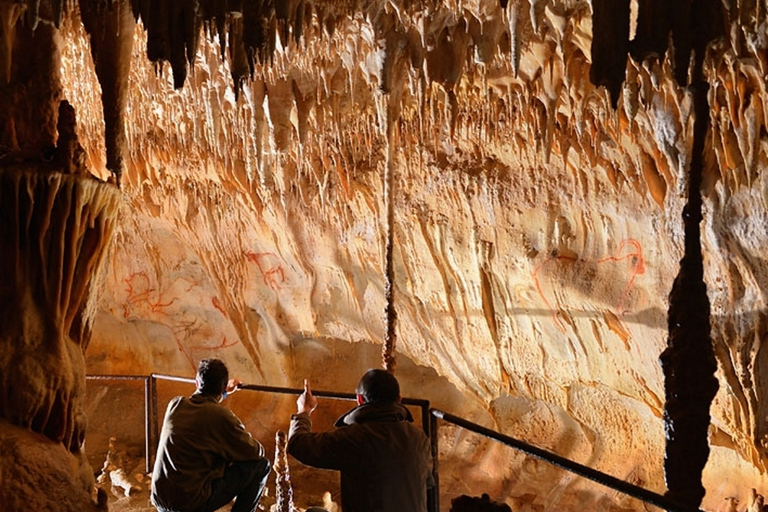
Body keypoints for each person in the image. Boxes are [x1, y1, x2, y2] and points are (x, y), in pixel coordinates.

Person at [288, 368, 433, 512]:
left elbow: (298, 444)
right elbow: (428, 482)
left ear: (360, 399)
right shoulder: (419, 438)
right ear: (399, 399)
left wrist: (304, 410)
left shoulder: (355, 437)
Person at [151, 358, 271, 512]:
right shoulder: (221, 417)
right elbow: (255, 452)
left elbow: (199, 401)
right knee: (261, 465)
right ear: (222, 388)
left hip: (161, 499)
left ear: (196, 382)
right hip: (189, 505)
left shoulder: (175, 405)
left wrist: (223, 393)